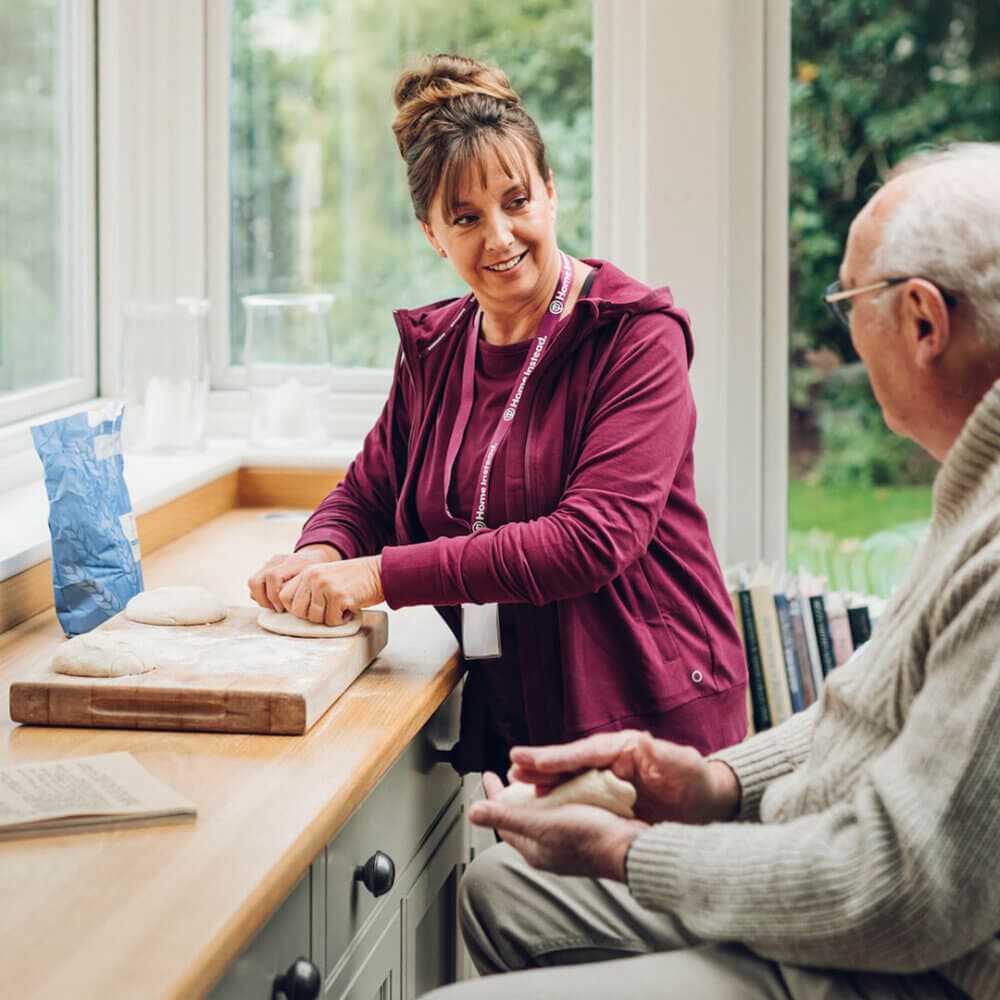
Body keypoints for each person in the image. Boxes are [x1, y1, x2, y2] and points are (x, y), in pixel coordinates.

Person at [422, 143, 1000, 999]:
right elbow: (887, 706)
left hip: (909, 965)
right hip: (842, 878)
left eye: (848, 300)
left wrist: (632, 851)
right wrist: (716, 784)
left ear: (922, 321)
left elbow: (903, 890)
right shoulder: (973, 482)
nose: (843, 327)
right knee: (504, 890)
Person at [247, 54, 748, 776]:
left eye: (517, 202)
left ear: (550, 193)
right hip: (522, 716)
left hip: (652, 720)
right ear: (431, 234)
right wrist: (319, 554)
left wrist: (378, 577)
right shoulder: (437, 346)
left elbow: (590, 541)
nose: (501, 237)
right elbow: (370, 492)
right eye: (466, 218)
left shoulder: (636, 336)